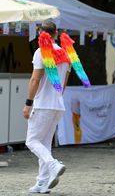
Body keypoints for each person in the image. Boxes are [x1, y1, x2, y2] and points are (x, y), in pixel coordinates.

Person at [22, 21, 71, 194]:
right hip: (57, 104)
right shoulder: (64, 52)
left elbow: (35, 79)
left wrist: (28, 103)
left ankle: (53, 165)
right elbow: (64, 83)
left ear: (40, 34)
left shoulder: (41, 51)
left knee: (32, 141)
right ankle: (42, 182)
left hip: (43, 104)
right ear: (56, 33)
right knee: (44, 143)